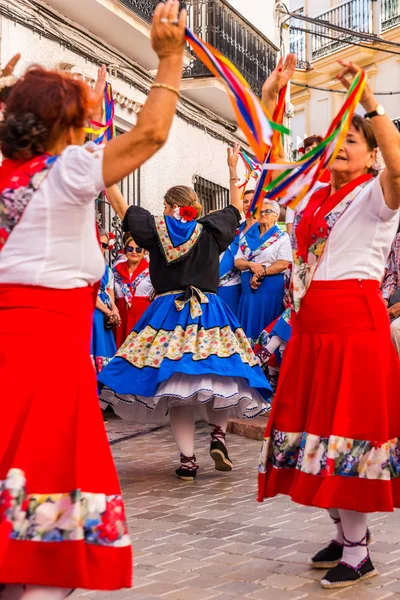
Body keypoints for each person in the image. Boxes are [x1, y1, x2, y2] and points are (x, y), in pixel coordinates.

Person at [0, 1, 187, 597]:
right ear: (65, 126)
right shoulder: (69, 169)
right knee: (53, 513)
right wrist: (170, 58)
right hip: (49, 359)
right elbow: (153, 133)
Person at [258, 57, 400, 590]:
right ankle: (343, 536)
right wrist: (273, 98)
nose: (341, 147)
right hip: (312, 330)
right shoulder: (314, 196)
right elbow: (269, 165)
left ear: (370, 157)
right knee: (313, 432)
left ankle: (360, 551)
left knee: (348, 434)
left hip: (354, 330)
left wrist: (368, 103)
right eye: (335, 139)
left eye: (353, 141)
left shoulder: (378, 197)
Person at [98, 184, 272, 481]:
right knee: (220, 375)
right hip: (210, 311)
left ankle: (188, 462)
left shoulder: (156, 231)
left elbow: (122, 208)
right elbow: (235, 211)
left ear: (169, 206)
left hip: (169, 313)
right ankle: (218, 434)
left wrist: (108, 178)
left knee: (177, 392)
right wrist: (233, 175)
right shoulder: (211, 231)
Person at [234, 200, 292, 345]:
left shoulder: (282, 237)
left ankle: (264, 362)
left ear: (276, 216)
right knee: (248, 325)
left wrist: (260, 273)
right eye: (260, 211)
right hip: (248, 292)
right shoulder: (246, 237)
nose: (262, 214)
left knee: (266, 324)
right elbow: (238, 262)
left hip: (270, 290)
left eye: (267, 211)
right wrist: (250, 264)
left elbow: (283, 263)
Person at [217, 142, 257, 316]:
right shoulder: (236, 229)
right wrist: (232, 168)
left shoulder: (264, 233)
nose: (248, 205)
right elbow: (235, 201)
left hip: (247, 290)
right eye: (245, 201)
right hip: (221, 289)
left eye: (252, 201)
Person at [112, 230, 153, 348]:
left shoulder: (151, 271)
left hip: (142, 316)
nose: (134, 252)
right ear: (125, 251)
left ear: (144, 251)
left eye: (138, 249)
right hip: (121, 318)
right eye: (130, 249)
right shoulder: (115, 270)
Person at [286, 135, 331, 235]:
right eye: (308, 149)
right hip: (299, 224)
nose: (311, 152)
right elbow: (292, 203)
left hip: (321, 224)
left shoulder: (330, 173)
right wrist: (289, 227)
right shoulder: (297, 173)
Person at [90, 230, 119, 372]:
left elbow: (109, 292)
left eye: (105, 245)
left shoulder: (107, 270)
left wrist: (114, 310)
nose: (101, 247)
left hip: (103, 314)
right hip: (91, 313)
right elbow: (91, 295)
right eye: (98, 243)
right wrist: (109, 312)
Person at [382, 225, 400, 355]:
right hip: (396, 296)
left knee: (395, 329)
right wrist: (384, 299)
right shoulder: (398, 239)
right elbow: (392, 275)